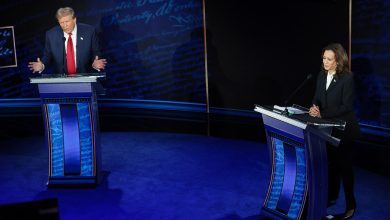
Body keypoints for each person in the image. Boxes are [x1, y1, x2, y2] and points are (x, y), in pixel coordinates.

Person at [309, 43, 360, 220]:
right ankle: (331, 197)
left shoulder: (347, 78)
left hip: (345, 130)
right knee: (331, 166)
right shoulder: (321, 75)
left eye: (329, 59)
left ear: (338, 61)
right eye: (324, 58)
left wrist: (322, 113)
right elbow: (317, 96)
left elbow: (346, 106)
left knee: (345, 168)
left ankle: (351, 206)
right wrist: (314, 108)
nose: (325, 62)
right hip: (327, 129)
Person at [28, 7, 106, 74]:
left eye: (67, 21)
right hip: (61, 79)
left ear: (74, 20)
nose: (65, 25)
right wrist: (42, 65)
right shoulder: (51, 35)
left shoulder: (89, 31)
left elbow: (95, 52)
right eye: (61, 22)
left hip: (85, 76)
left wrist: (95, 63)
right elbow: (48, 56)